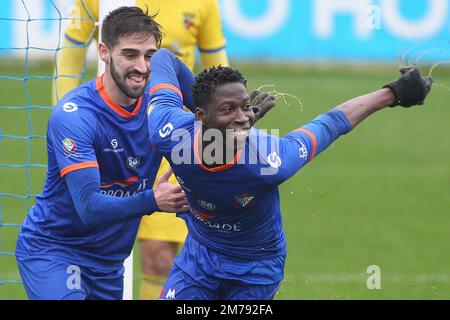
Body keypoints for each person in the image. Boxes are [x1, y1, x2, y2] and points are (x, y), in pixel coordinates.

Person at [146, 49, 433, 299]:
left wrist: (392, 94)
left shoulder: (270, 161)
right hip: (200, 255)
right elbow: (163, 58)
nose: (244, 117)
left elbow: (331, 123)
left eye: (246, 107)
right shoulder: (168, 131)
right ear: (199, 116)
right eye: (228, 109)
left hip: (255, 268)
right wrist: (207, 101)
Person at [53, 0, 229, 299]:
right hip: (105, 138)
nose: (142, 62)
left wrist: (223, 111)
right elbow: (70, 54)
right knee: (96, 240)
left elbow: (216, 63)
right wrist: (67, 114)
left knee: (160, 257)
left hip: (168, 140)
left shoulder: (203, 4)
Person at [15, 7, 193, 300]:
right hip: (56, 250)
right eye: (130, 54)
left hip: (108, 264)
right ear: (103, 51)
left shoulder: (158, 106)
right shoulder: (75, 116)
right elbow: (89, 207)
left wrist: (228, 118)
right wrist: (153, 200)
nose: (142, 67)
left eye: (150, 56)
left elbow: (198, 107)